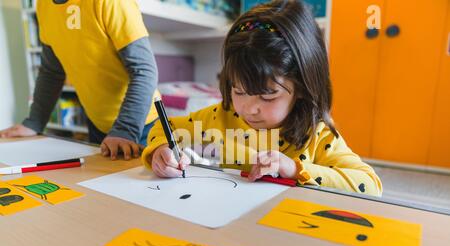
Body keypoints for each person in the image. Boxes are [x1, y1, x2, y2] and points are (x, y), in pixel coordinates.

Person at [141, 0, 382, 196]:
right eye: (239, 91)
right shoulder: (220, 117)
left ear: (301, 87)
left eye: (267, 96)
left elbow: (370, 185)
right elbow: (166, 126)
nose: (249, 108)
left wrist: (295, 169)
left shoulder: (317, 135)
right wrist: (160, 151)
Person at [0, 0, 159, 161]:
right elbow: (51, 72)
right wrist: (34, 122)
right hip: (98, 124)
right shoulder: (43, 5)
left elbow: (144, 70)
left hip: (140, 124)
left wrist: (125, 129)